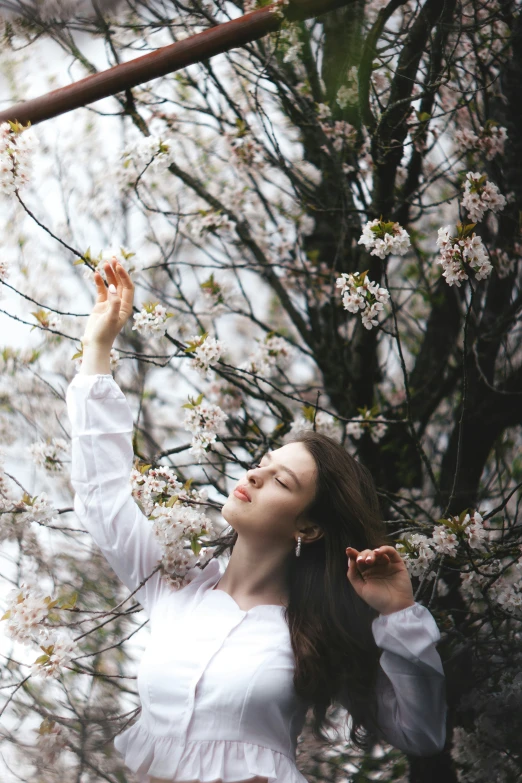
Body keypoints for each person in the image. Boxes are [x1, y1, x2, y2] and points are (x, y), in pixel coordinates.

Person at [65, 258, 447, 783]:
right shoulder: (173, 585)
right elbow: (101, 496)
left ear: (308, 528)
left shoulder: (319, 631)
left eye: (282, 481)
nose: (256, 475)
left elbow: (422, 733)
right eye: (263, 463)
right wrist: (97, 350)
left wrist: (400, 615)